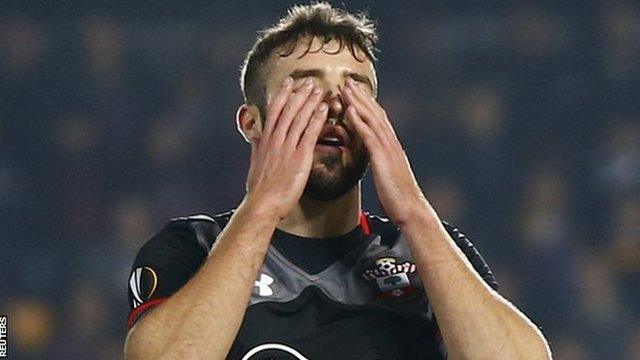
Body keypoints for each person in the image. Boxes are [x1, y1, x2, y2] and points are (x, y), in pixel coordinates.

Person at [123, 3, 552, 359]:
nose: (333, 105)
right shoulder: (190, 246)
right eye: (306, 88)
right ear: (251, 121)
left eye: (355, 90)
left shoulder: (428, 254)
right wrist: (264, 206)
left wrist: (414, 213)